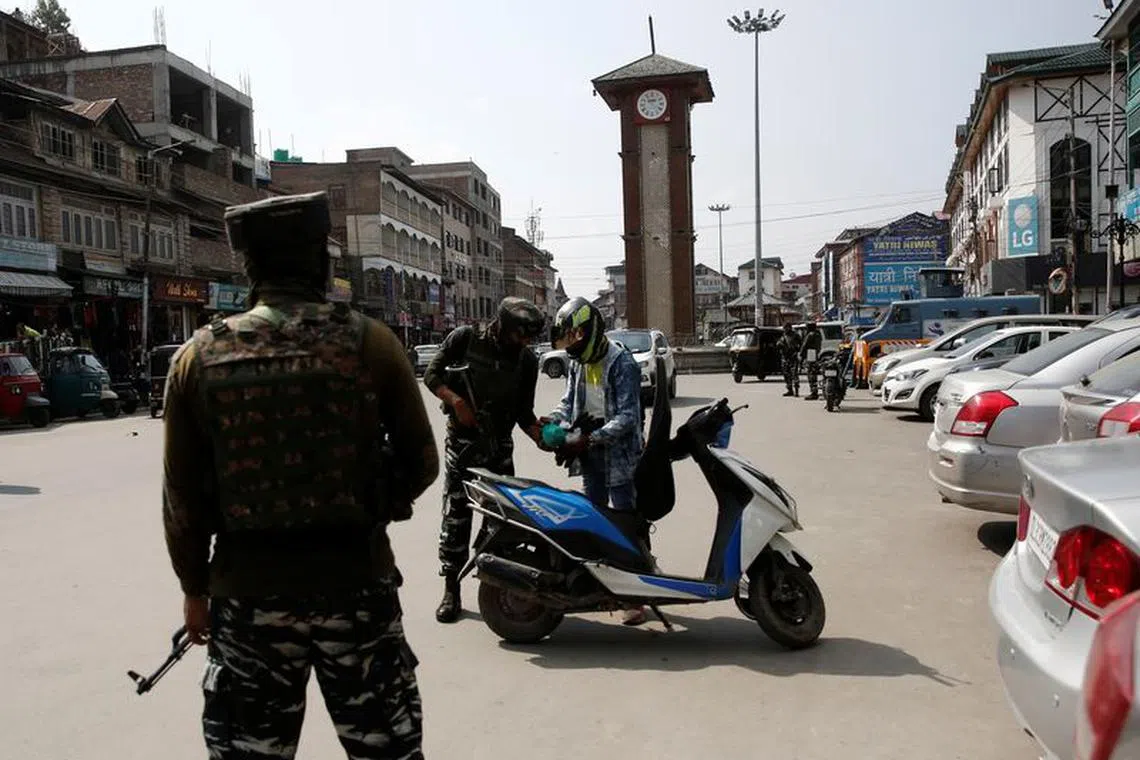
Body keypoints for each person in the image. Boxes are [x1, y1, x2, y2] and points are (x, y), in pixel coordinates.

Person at [162, 191, 439, 760]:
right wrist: (367, 502)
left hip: (249, 598)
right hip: (357, 589)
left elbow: (182, 500)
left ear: (249, 267)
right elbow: (422, 462)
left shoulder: (197, 357)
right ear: (321, 262)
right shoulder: (373, 342)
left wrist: (195, 591)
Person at [424, 296, 547, 624]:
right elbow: (431, 376)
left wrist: (543, 436)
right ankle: (451, 589)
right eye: (521, 335)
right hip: (463, 449)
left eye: (530, 338)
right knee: (457, 519)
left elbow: (524, 413)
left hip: (499, 450)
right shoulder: (464, 339)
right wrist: (456, 401)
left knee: (503, 522)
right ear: (504, 325)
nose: (525, 342)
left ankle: (495, 582)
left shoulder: (527, 362)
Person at [546, 297, 648, 625]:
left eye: (576, 335)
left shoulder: (622, 363)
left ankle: (636, 594)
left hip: (620, 456)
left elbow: (629, 417)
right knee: (595, 519)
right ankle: (606, 585)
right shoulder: (578, 363)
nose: (571, 342)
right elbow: (568, 402)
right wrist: (552, 422)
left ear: (591, 330)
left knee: (625, 521)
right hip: (590, 453)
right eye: (568, 337)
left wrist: (591, 438)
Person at [777, 323, 801, 397]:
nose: (785, 329)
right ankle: (790, 390)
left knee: (794, 374)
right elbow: (779, 343)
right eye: (784, 328)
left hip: (793, 357)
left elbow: (801, 344)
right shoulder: (783, 335)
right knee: (786, 374)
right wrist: (779, 344)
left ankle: (796, 390)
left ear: (789, 328)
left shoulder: (795, 335)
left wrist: (797, 350)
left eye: (786, 328)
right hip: (785, 357)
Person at [800, 321, 823, 401]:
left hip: (810, 354)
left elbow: (804, 345)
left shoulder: (810, 335)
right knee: (814, 373)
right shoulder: (818, 334)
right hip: (815, 353)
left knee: (811, 374)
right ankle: (814, 391)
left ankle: (813, 393)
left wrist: (801, 355)